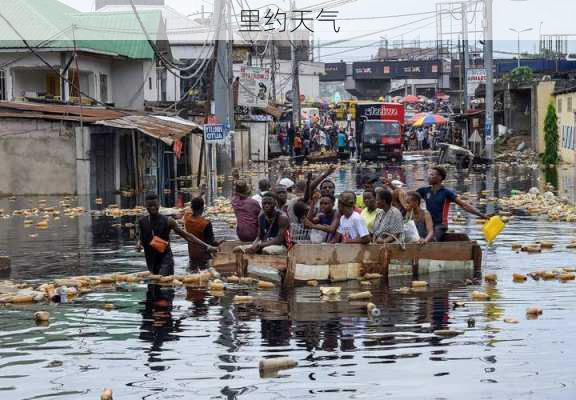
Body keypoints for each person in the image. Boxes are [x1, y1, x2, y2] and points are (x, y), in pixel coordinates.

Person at [137, 193, 217, 276]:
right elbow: (142, 237)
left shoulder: (168, 221)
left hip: (166, 260)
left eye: (155, 205)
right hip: (151, 260)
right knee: (153, 285)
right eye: (150, 205)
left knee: (164, 283)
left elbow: (187, 236)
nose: (153, 208)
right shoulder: (142, 221)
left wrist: (207, 246)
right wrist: (139, 244)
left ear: (159, 204)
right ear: (145, 206)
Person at [417, 166, 488, 242]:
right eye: (429, 175)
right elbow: (410, 197)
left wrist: (481, 215)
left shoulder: (446, 193)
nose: (429, 177)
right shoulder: (425, 191)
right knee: (416, 237)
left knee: (432, 240)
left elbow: (464, 205)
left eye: (432, 175)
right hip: (428, 223)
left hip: (440, 225)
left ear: (440, 177)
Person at [183, 197, 221, 271]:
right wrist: (219, 243)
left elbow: (188, 212)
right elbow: (211, 243)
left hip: (192, 256)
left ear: (192, 207)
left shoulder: (187, 218)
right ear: (202, 208)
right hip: (204, 257)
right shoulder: (205, 223)